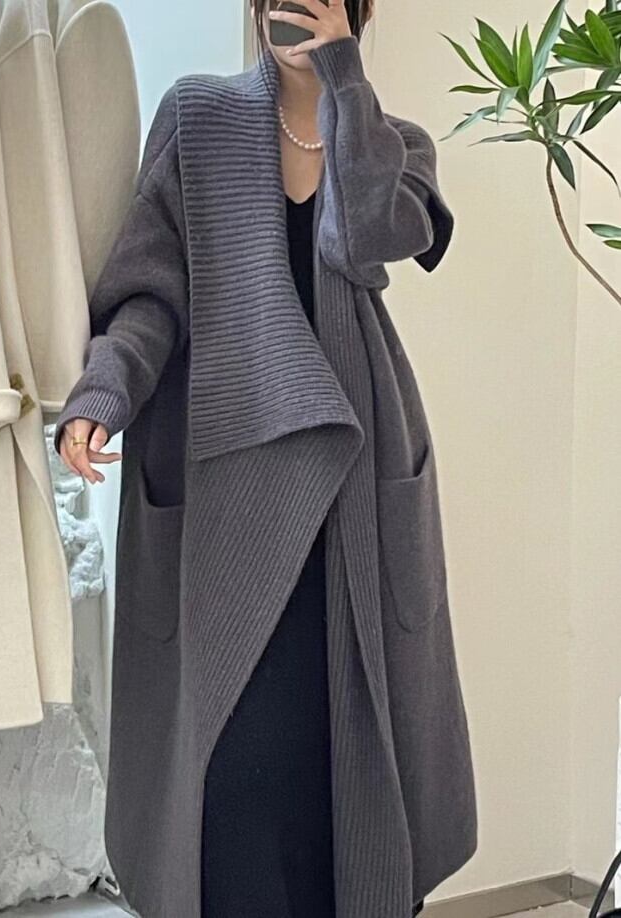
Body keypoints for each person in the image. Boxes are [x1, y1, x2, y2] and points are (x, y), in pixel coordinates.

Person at [53, 2, 476, 916]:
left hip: (348, 493)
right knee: (228, 784)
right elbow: (149, 294)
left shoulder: (394, 142)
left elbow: (365, 242)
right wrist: (103, 393)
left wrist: (343, 80)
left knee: (339, 775)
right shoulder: (196, 115)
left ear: (358, 12)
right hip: (223, 485)